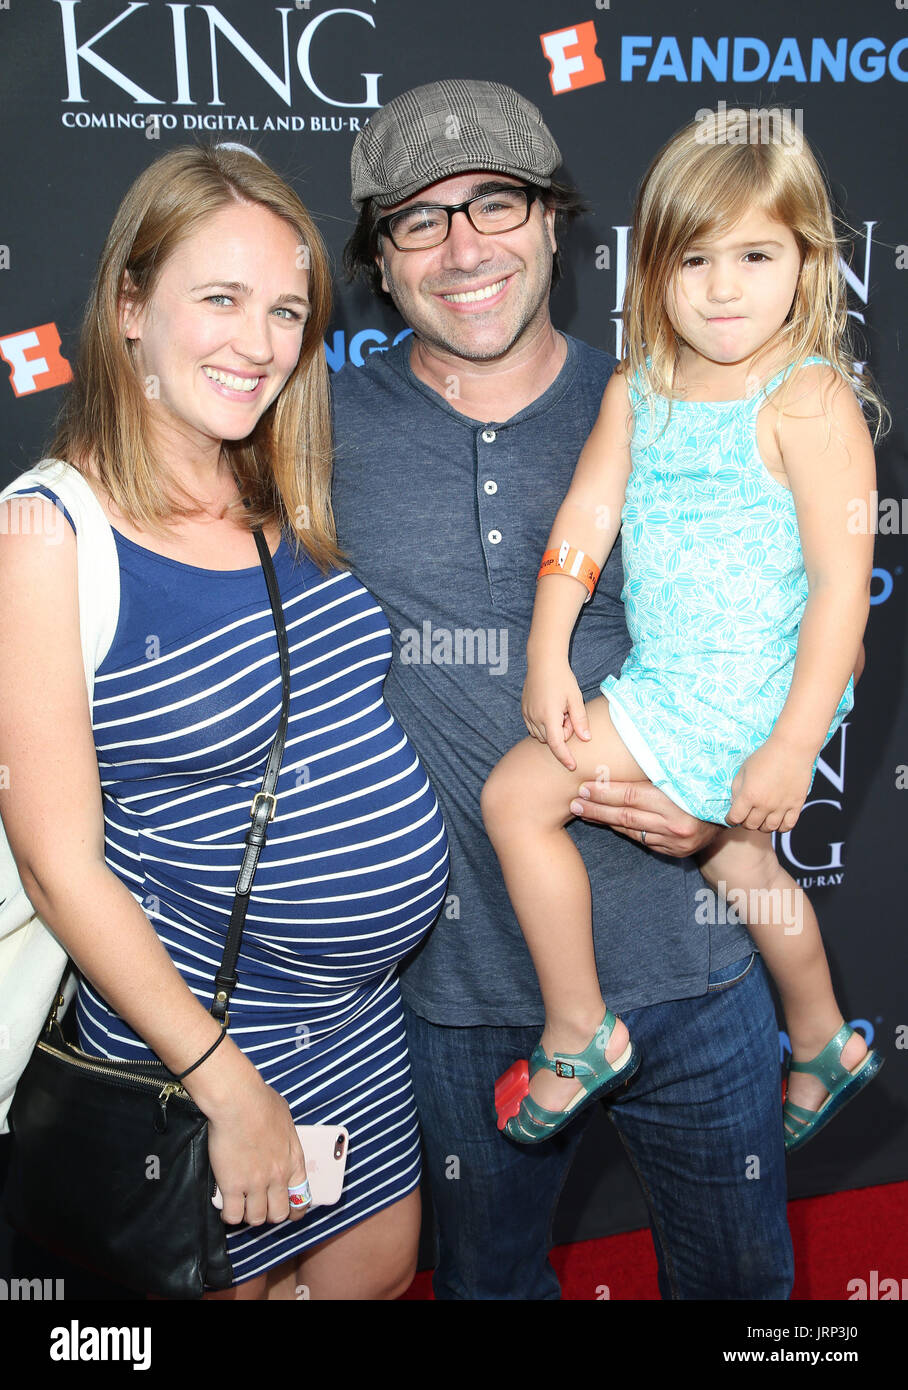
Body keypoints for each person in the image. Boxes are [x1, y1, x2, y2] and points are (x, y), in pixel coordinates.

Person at [334, 79, 791, 1299]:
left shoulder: (673, 404)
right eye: (419, 221)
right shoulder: (306, 424)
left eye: (495, 203)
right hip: (462, 988)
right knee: (486, 1288)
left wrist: (722, 815)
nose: (462, 245)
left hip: (692, 963)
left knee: (745, 1294)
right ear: (381, 261)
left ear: (553, 223)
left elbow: (781, 631)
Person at [0, 144, 448, 1300]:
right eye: (219, 298)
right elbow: (57, 866)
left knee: (379, 1268)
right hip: (197, 1042)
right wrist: (224, 1081)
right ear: (129, 306)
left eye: (286, 309)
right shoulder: (49, 537)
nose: (257, 342)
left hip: (353, 1022)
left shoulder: (279, 490)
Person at [481, 110, 885, 1149]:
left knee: (515, 796)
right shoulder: (637, 389)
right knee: (741, 867)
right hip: (671, 677)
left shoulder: (808, 402)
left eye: (754, 255)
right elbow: (584, 520)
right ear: (648, 267)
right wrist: (545, 647)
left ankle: (578, 1028)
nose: (719, 287)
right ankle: (822, 1039)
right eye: (692, 257)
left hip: (748, 690)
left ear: (806, 262)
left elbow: (845, 590)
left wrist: (791, 744)